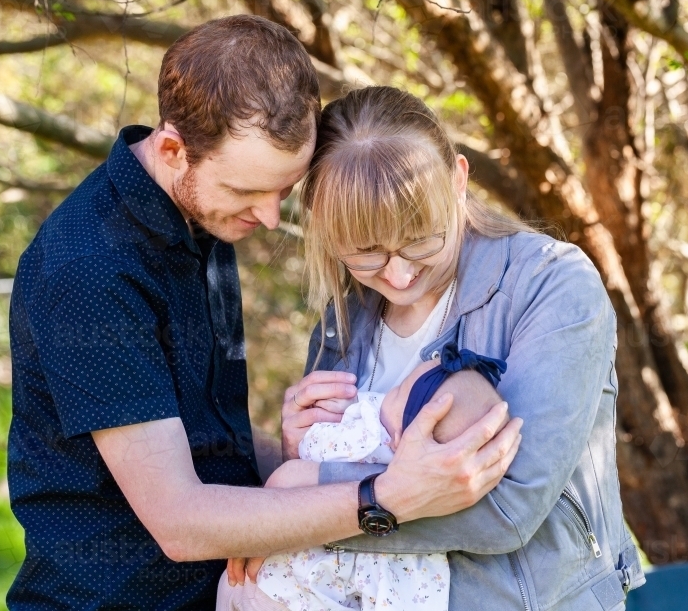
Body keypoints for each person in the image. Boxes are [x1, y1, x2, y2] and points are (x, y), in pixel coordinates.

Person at [4, 16, 521, 610]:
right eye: (249, 192)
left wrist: (302, 448)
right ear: (174, 149)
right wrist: (385, 497)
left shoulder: (203, 216)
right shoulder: (90, 268)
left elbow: (191, 438)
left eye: (284, 190)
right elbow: (180, 521)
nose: (272, 218)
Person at [252, 86, 646, 610]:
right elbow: (332, 482)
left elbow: (510, 507)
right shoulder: (344, 318)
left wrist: (306, 495)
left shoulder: (551, 284)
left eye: (421, 239)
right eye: (365, 254)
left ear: (458, 180)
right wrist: (301, 447)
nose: (397, 273)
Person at [217, 347, 511, 611]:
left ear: (401, 438)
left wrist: (258, 523)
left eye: (397, 393)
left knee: (232, 589)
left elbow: (308, 456)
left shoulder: (369, 438)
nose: (383, 395)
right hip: (324, 585)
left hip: (286, 585)